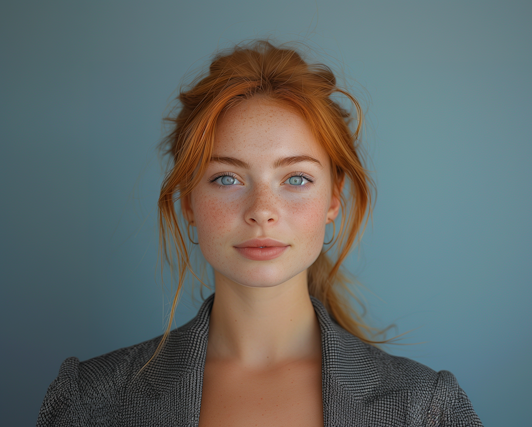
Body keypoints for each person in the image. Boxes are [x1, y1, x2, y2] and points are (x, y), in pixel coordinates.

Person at [36, 40, 483, 426]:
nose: (262, 212)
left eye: (296, 179)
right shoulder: (88, 401)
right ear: (188, 201)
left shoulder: (424, 406)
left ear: (333, 200)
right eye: (227, 178)